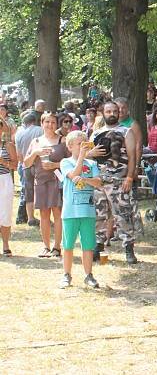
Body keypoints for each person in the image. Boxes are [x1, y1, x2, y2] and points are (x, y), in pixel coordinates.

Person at [91, 101, 142, 264]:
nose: (111, 114)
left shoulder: (126, 132)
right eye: (108, 111)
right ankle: (97, 247)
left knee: (123, 215)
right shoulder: (96, 133)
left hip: (119, 181)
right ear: (103, 113)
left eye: (114, 111)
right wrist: (90, 153)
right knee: (99, 215)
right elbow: (89, 157)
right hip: (99, 181)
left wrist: (129, 177)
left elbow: (132, 157)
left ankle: (128, 248)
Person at [59, 131, 102, 288]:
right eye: (79, 144)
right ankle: (66, 274)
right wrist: (82, 158)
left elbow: (98, 182)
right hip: (70, 212)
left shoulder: (92, 164)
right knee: (68, 245)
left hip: (88, 211)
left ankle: (88, 275)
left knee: (88, 245)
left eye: (85, 143)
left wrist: (86, 180)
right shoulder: (65, 162)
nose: (82, 146)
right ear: (70, 146)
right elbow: (73, 174)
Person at [24, 113, 67, 259]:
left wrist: (55, 165)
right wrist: (35, 152)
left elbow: (71, 163)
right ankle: (46, 246)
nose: (50, 125)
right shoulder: (35, 141)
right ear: (42, 124)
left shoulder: (63, 141)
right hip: (41, 182)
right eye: (47, 122)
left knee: (58, 214)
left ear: (57, 124)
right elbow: (26, 163)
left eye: (53, 122)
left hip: (57, 182)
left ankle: (57, 247)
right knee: (44, 215)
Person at [14, 111, 42, 226]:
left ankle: (29, 217)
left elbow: (18, 154)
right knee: (40, 190)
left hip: (24, 165)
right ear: (34, 121)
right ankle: (41, 215)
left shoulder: (18, 133)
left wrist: (22, 164)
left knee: (27, 191)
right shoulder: (40, 130)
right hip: (38, 164)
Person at [0, 116, 18, 257]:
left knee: (5, 213)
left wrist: (3, 162)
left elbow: (15, 166)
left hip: (4, 180)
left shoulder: (7, 145)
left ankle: (6, 244)